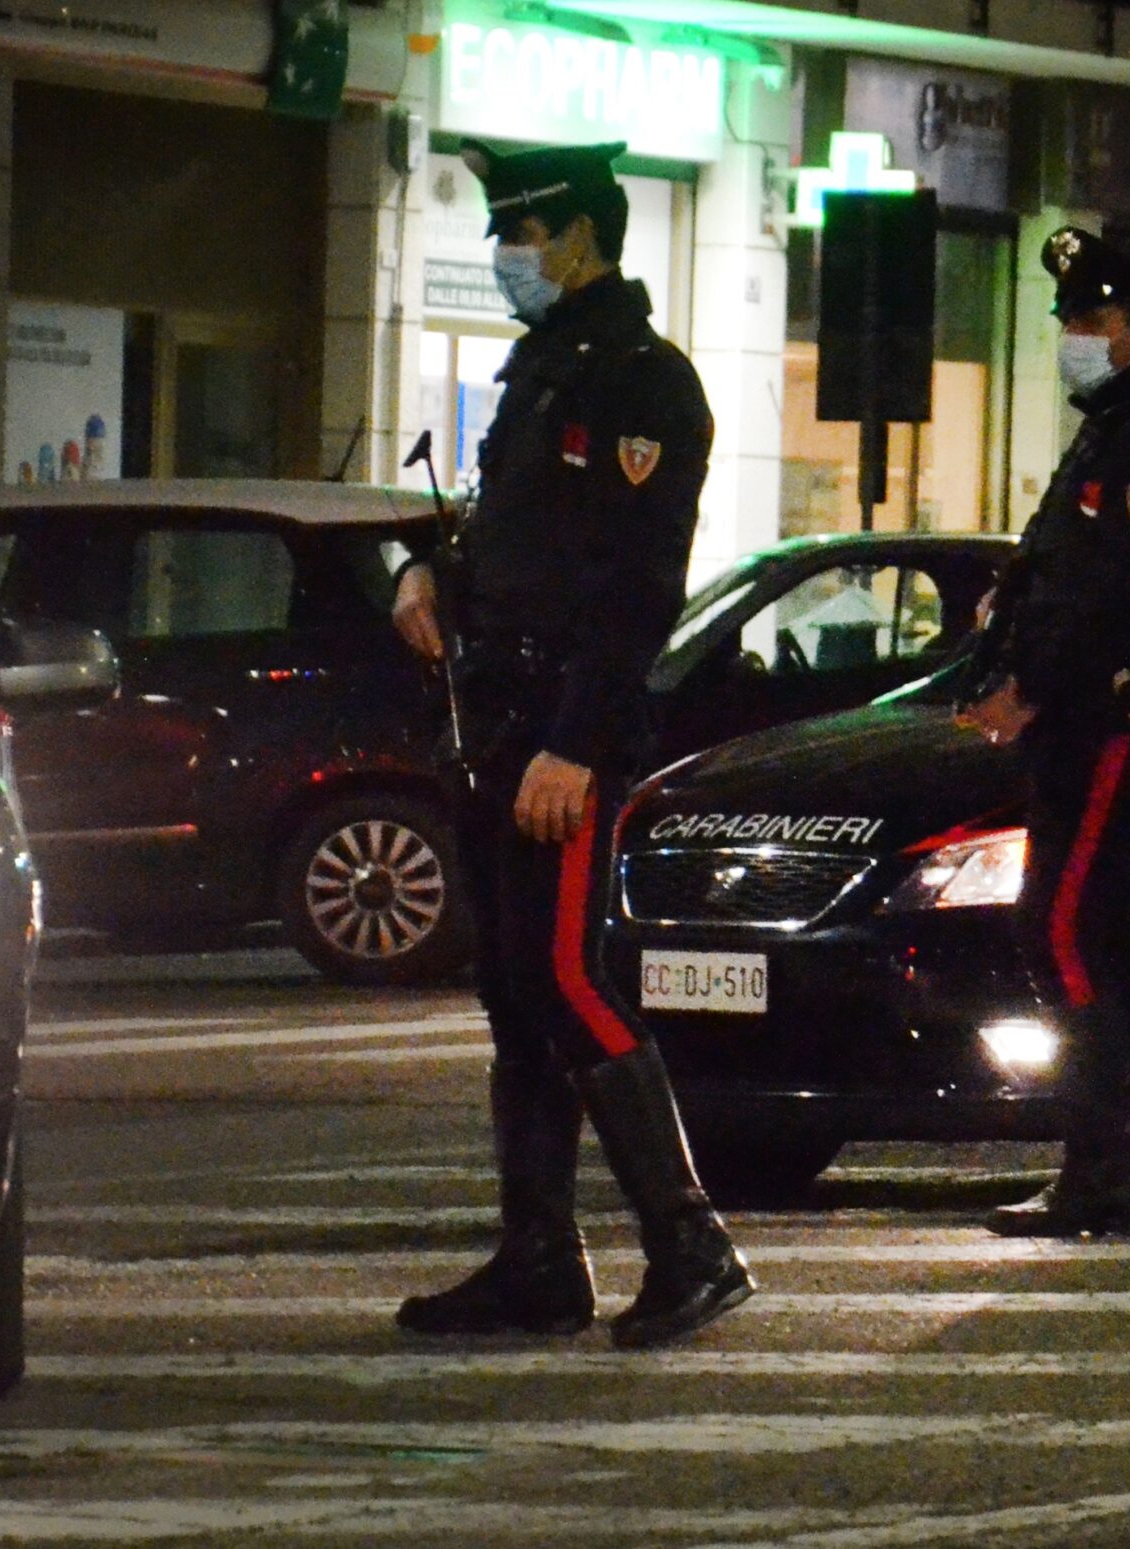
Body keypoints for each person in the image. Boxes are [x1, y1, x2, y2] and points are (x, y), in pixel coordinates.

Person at [390, 139, 753, 1349]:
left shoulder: (640, 382)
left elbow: (635, 587)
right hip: (500, 718)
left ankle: (691, 1239)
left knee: (566, 977)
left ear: (584, 239)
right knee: (512, 994)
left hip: (562, 732)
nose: (507, 256)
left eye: (523, 235)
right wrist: (427, 571)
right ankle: (539, 1256)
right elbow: (515, 544)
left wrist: (577, 745)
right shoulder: (544, 369)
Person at [956, 228, 1130, 1237]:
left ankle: (1108, 1156)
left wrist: (1032, 685)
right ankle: (1119, 1159)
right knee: (1091, 934)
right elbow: (1054, 574)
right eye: (1068, 317)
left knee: (1065, 928)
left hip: (1116, 721)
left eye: (1089, 318)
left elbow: (1126, 600)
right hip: (1078, 718)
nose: (1071, 335)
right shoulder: (1112, 427)